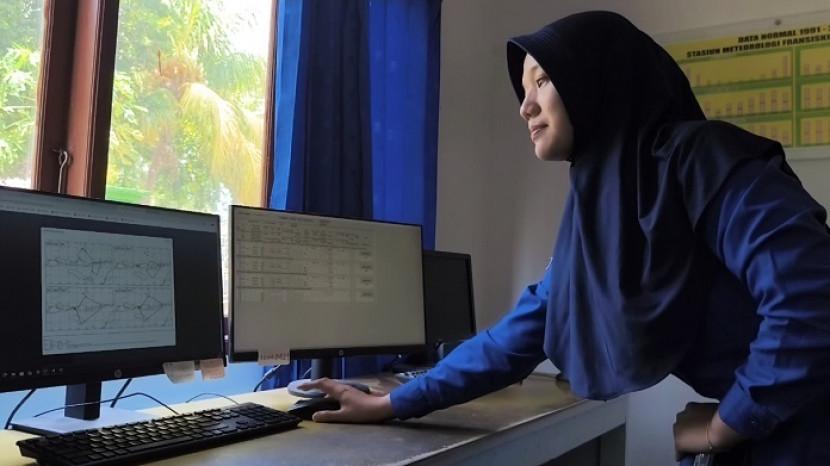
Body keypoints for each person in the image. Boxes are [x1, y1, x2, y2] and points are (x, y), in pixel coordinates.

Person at [300, 11, 830, 465]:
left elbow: (810, 296)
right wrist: (393, 402)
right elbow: (519, 335)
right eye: (524, 89)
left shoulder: (698, 159)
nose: (525, 106)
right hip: (776, 425)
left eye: (543, 81)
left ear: (600, 79)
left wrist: (725, 425)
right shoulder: (600, 212)